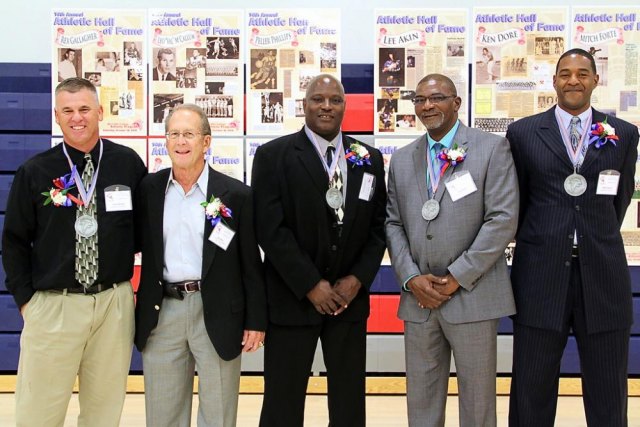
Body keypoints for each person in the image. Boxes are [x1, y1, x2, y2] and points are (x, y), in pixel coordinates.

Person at [2, 77, 147, 426]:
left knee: (103, 413)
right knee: (37, 414)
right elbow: (14, 241)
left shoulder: (127, 163)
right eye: (67, 110)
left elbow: (145, 233)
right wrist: (28, 303)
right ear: (56, 115)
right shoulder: (35, 171)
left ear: (100, 111)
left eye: (84, 109)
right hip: (55, 306)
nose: (77, 117)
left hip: (112, 304)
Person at [507, 48, 639, 427]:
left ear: (596, 80)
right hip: (540, 276)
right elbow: (518, 199)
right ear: (554, 82)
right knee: (531, 387)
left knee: (608, 390)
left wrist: (590, 237)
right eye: (565, 73)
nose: (573, 80)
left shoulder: (623, 134)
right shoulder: (524, 132)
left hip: (603, 276)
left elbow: (620, 198)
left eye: (583, 73)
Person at [252, 74, 387, 427]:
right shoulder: (273, 156)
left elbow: (378, 228)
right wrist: (311, 284)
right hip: (292, 299)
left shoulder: (367, 158)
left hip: (348, 301)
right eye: (318, 99)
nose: (326, 106)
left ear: (345, 106)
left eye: (335, 100)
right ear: (304, 105)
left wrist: (357, 280)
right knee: (283, 400)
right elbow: (271, 230)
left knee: (348, 402)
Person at [385, 73, 518, 426]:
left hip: (472, 296)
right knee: (422, 401)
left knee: (477, 404)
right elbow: (393, 223)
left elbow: (502, 219)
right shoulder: (402, 159)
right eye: (420, 100)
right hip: (419, 300)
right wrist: (412, 278)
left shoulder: (491, 148)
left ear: (456, 103)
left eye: (437, 98)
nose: (428, 105)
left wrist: (457, 276)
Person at [134, 104, 266, 427]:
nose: (181, 142)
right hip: (163, 311)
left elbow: (251, 262)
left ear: (206, 142)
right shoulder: (149, 190)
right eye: (174, 134)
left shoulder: (236, 195)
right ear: (165, 141)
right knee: (163, 414)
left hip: (218, 311)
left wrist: (256, 320)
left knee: (218, 415)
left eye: (189, 134)